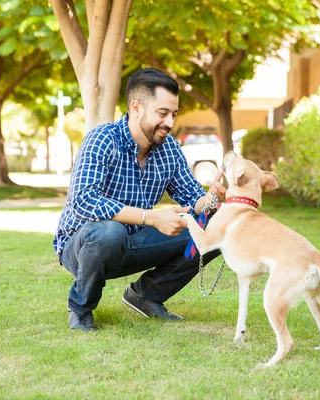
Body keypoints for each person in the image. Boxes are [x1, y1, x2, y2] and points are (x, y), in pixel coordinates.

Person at [53, 68, 225, 331]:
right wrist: (151, 217)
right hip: (86, 246)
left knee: (215, 227)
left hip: (135, 241)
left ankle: (146, 295)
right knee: (110, 232)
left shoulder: (169, 149)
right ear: (137, 107)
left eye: (173, 115)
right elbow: (84, 201)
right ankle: (80, 308)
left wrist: (211, 200)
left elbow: (194, 199)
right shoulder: (103, 139)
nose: (169, 122)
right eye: (162, 113)